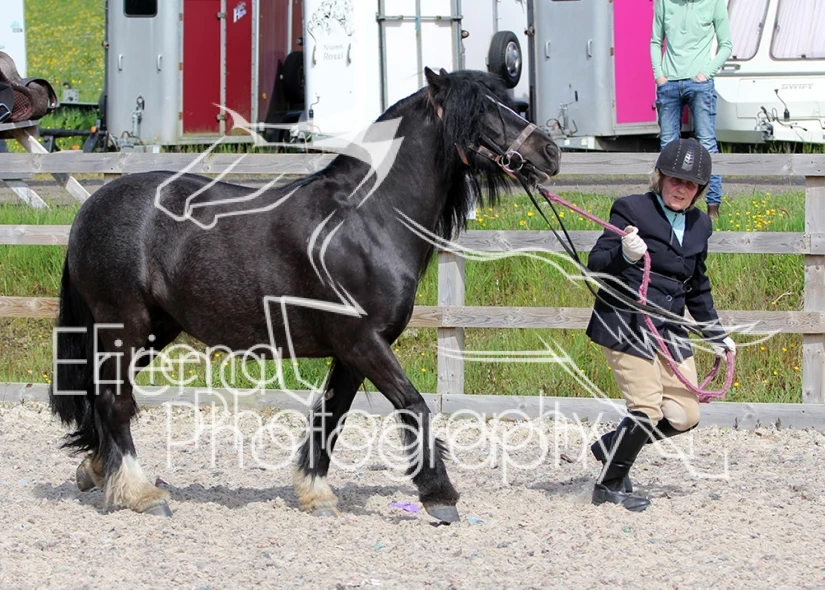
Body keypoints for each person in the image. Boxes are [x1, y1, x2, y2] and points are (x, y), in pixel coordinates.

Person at [585, 138, 735, 512]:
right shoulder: (631, 208)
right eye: (674, 180)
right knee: (647, 409)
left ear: (699, 190)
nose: (680, 189)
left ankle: (612, 447)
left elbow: (697, 285)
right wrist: (624, 254)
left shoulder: (701, 225)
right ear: (660, 178)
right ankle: (609, 486)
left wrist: (715, 333)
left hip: (669, 329)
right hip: (626, 321)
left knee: (686, 416)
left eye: (690, 184)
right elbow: (597, 263)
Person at [650, 0, 732, 220]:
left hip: (700, 83)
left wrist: (706, 73)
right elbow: (655, 41)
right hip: (669, 83)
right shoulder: (664, 2)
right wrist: (659, 76)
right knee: (667, 145)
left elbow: (726, 44)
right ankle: (663, 205)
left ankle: (713, 207)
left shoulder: (714, 2)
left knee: (707, 144)